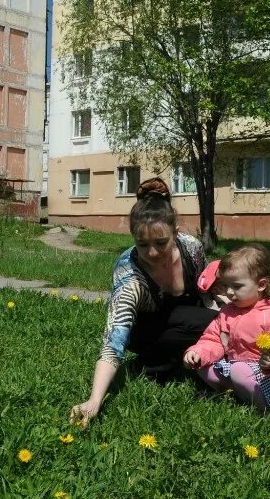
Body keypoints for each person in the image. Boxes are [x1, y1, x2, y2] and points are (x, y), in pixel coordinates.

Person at [70, 177, 218, 427]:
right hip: (146, 332)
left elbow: (206, 292)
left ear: (176, 231)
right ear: (133, 238)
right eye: (142, 244)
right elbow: (113, 340)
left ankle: (176, 365)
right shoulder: (129, 274)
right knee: (208, 324)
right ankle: (154, 364)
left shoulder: (191, 249)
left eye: (161, 243)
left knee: (220, 321)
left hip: (186, 318)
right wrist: (93, 401)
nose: (152, 253)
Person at [183, 244, 270, 418]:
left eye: (237, 286)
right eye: (226, 285)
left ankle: (268, 411)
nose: (229, 293)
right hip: (236, 368)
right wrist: (198, 352)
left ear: (261, 285)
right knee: (204, 365)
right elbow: (213, 339)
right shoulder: (227, 312)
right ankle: (235, 395)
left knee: (239, 371)